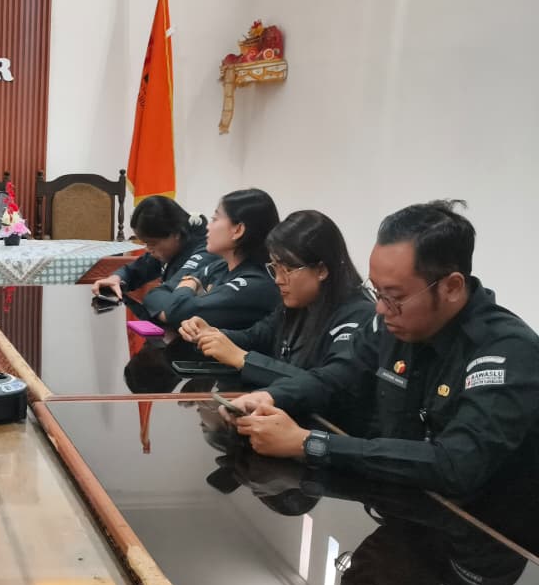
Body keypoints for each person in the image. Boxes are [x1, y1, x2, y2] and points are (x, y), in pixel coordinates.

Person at [228, 201, 539, 498]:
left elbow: (456, 463)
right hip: (398, 502)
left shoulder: (506, 350)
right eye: (376, 291)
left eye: (394, 296)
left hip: (476, 525)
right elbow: (336, 377)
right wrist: (271, 397)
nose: (380, 308)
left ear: (452, 287)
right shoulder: (390, 324)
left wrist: (311, 444)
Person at [179, 210, 374, 388]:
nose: (278, 280)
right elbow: (256, 336)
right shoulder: (299, 303)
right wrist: (212, 334)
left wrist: (243, 359)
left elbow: (326, 386)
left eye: (287, 269)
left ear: (321, 270)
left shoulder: (358, 315)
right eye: (274, 268)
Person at [146, 189, 281, 330]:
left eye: (215, 219)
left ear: (238, 230)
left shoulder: (254, 284)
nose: (208, 227)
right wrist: (181, 301)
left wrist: (188, 283)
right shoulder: (220, 266)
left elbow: (178, 312)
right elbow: (154, 294)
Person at [90, 195, 216, 321]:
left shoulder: (206, 250)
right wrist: (117, 278)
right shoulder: (176, 242)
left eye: (152, 243)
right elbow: (139, 268)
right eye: (146, 244)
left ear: (176, 234)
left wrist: (153, 298)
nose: (148, 249)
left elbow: (170, 296)